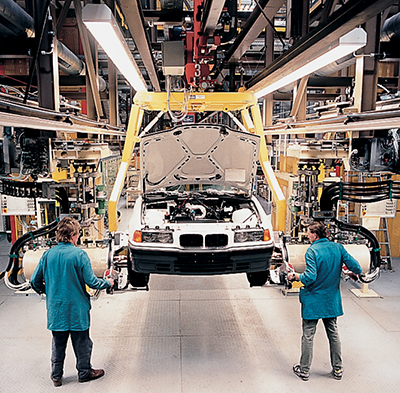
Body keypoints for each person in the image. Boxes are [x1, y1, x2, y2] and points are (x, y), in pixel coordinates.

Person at [31, 216, 114, 387]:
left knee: (58, 344)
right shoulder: (79, 255)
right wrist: (108, 282)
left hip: (57, 310)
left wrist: (47, 291)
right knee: (82, 343)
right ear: (73, 235)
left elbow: (34, 281)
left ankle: (56, 376)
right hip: (77, 310)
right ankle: (84, 372)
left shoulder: (47, 255)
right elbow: (92, 282)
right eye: (77, 234)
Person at [288, 221, 362, 382]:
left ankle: (305, 370)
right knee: (333, 333)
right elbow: (357, 267)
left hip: (314, 299)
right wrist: (348, 272)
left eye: (308, 233)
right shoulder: (338, 248)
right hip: (331, 300)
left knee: (308, 335)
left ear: (315, 235)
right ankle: (337, 369)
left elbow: (310, 277)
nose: (307, 235)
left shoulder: (312, 251)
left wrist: (295, 276)